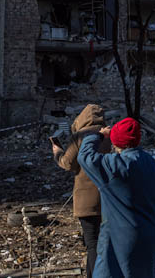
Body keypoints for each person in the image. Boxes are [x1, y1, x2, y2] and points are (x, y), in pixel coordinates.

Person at [78, 117, 155, 278]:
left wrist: (98, 135)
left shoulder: (114, 165)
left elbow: (84, 157)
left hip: (120, 239)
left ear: (116, 141)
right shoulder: (149, 161)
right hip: (149, 234)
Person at [52, 104, 111, 278]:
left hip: (86, 200)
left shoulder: (80, 136)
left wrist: (57, 152)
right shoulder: (109, 135)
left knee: (92, 243)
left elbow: (67, 163)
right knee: (104, 242)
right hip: (109, 198)